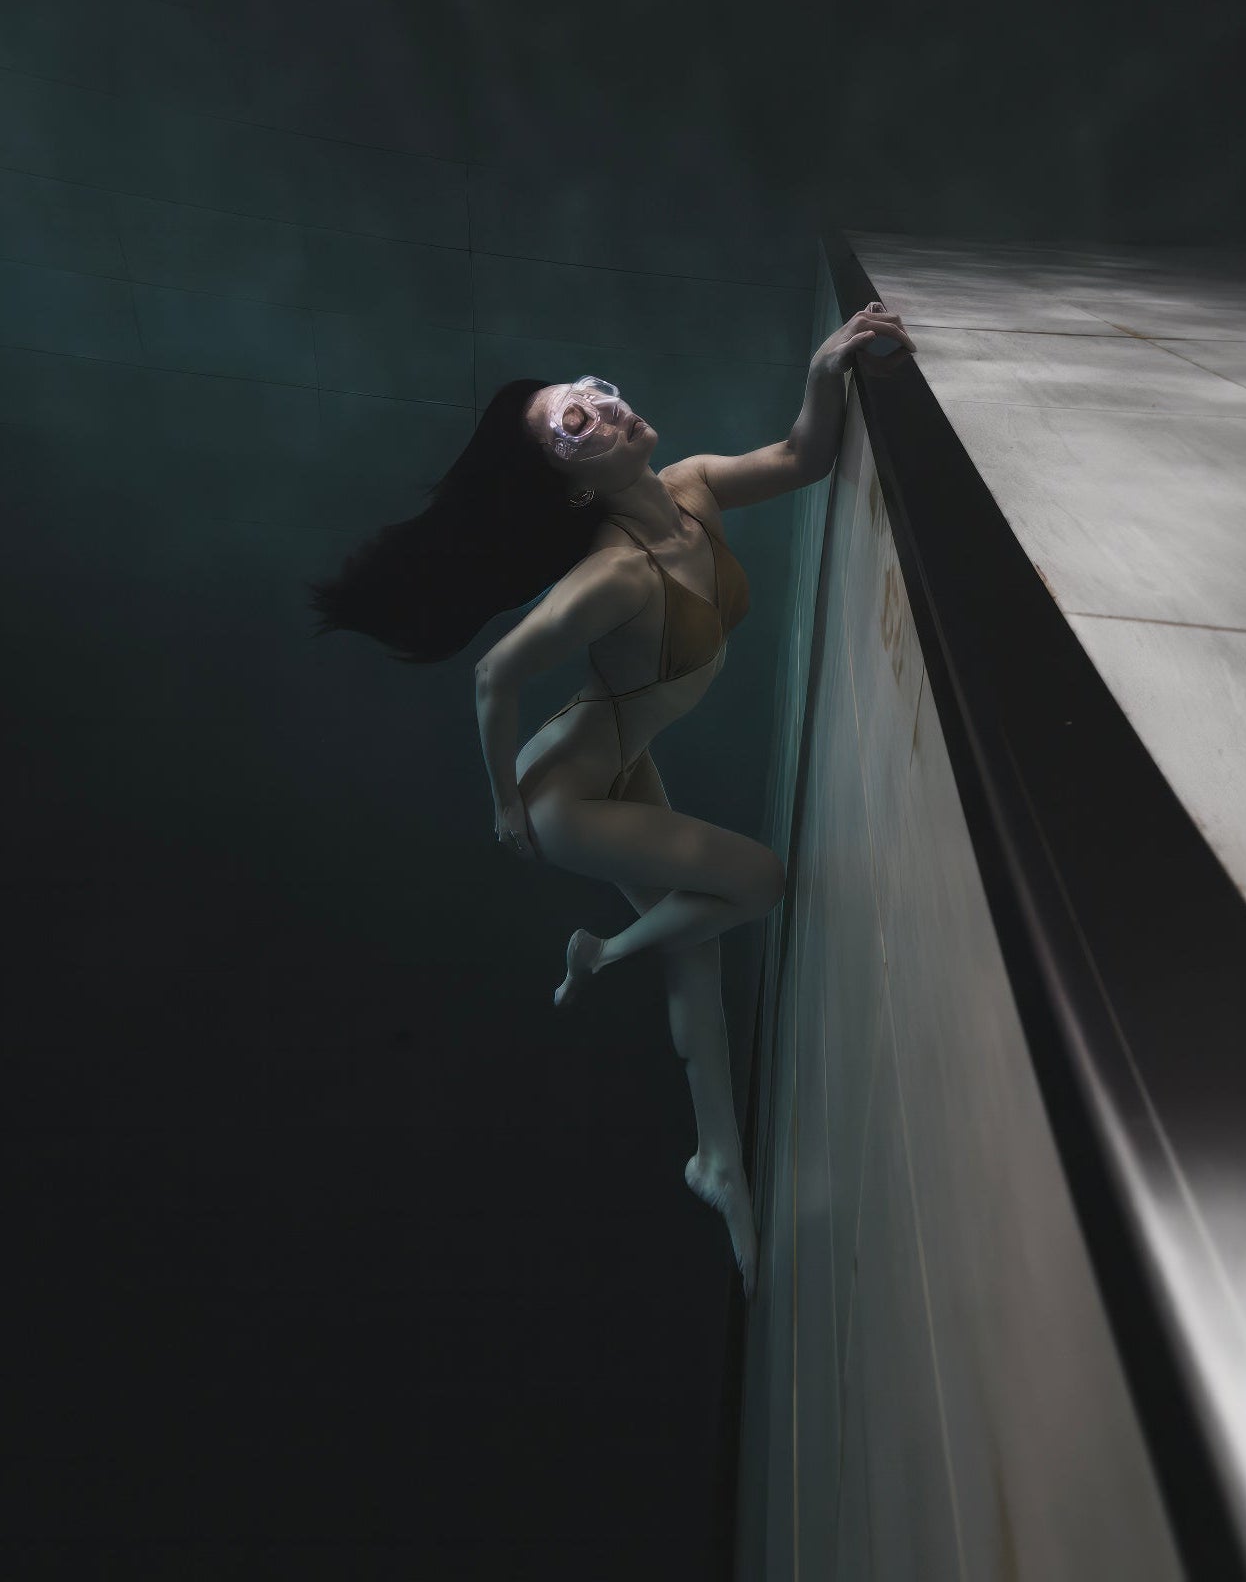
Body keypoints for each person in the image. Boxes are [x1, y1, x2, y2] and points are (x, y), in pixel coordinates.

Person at [307, 301, 916, 1298]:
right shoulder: (608, 577)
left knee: (701, 957)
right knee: (755, 882)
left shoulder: (695, 486)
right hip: (566, 800)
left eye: (589, 389)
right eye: (573, 421)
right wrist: (506, 804)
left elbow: (806, 456)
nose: (602, 403)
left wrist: (824, 365)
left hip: (615, 759)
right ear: (566, 478)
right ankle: (601, 954)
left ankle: (714, 1160)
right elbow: (493, 673)